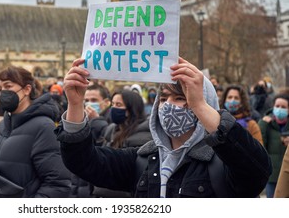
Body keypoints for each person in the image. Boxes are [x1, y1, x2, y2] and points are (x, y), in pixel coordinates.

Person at [56, 57, 271, 198]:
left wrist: (199, 105)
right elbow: (83, 162)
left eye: (180, 97)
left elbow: (256, 169)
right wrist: (75, 105)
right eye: (164, 98)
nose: (168, 105)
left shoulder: (220, 165)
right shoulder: (142, 160)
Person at [0, 66, 71, 198]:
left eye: (8, 86)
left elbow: (57, 184)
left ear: (27, 89)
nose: (3, 92)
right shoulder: (2, 125)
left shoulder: (44, 127)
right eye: (0, 89)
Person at [92, 89, 152, 198]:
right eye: (113, 104)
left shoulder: (141, 137)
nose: (114, 108)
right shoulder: (112, 130)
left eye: (118, 104)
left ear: (131, 109)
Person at [258, 93, 289, 198]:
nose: (280, 109)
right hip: (272, 175)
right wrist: (263, 124)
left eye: (283, 107)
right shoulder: (267, 124)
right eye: (277, 106)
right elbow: (261, 145)